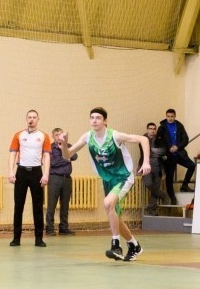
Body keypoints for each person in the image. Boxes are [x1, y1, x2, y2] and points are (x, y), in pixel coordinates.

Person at [61, 107, 150, 261]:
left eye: (98, 118)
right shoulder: (88, 137)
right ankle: (134, 245)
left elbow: (144, 139)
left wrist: (146, 162)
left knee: (108, 203)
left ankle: (116, 245)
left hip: (123, 177)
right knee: (115, 217)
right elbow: (67, 155)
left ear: (105, 121)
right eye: (92, 117)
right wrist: (64, 144)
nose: (94, 120)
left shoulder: (114, 136)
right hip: (108, 180)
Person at [8, 110, 50, 247]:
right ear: (26, 119)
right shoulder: (19, 135)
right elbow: (13, 153)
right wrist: (11, 171)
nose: (31, 119)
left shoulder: (43, 136)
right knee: (18, 206)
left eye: (34, 117)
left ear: (38, 119)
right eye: (29, 117)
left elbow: (47, 156)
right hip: (21, 172)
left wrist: (46, 174)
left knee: (38, 206)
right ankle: (16, 238)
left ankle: (39, 239)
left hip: (36, 172)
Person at [157, 109, 196, 203]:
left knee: (192, 165)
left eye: (172, 116)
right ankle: (172, 197)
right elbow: (160, 141)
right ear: (166, 116)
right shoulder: (162, 127)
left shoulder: (179, 125)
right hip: (168, 155)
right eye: (168, 116)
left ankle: (184, 185)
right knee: (169, 177)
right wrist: (169, 148)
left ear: (175, 116)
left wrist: (177, 147)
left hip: (179, 153)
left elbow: (185, 139)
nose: (170, 118)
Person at [45, 128, 78, 236]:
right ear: (53, 136)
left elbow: (75, 156)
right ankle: (49, 228)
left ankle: (63, 228)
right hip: (55, 178)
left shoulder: (67, 145)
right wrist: (66, 159)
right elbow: (53, 162)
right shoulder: (50, 147)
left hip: (67, 178)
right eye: (56, 135)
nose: (59, 137)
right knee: (52, 204)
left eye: (60, 134)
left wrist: (64, 149)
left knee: (65, 204)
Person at [140, 122, 171, 215]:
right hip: (146, 165)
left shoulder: (160, 139)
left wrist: (157, 152)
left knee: (155, 188)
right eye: (150, 129)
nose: (152, 130)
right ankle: (163, 195)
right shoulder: (143, 139)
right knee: (148, 183)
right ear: (147, 130)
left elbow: (164, 151)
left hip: (158, 166)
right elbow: (147, 151)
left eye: (154, 129)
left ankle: (152, 210)